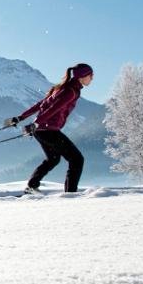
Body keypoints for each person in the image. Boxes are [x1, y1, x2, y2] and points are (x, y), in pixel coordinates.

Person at [6, 63, 93, 194]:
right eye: (90, 75)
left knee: (53, 159)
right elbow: (54, 108)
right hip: (48, 130)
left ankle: (32, 186)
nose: (92, 78)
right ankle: (70, 194)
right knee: (76, 159)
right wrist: (36, 123)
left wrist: (21, 118)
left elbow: (41, 104)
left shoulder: (62, 88)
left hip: (41, 131)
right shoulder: (71, 91)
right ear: (82, 76)